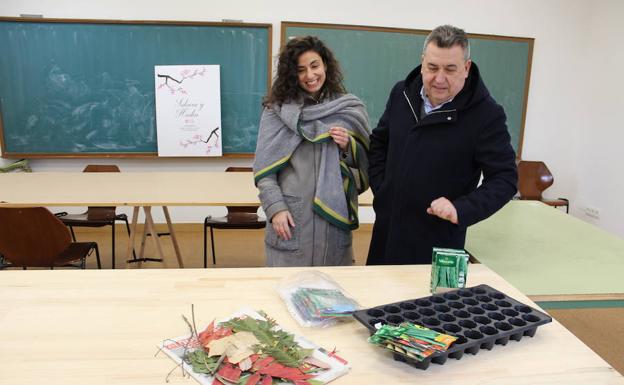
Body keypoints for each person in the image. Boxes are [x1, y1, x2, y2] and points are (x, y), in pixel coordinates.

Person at [367, 25, 518, 265]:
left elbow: (505, 179)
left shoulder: (486, 115)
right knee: (379, 300)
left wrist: (462, 208)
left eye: (450, 69)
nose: (439, 78)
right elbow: (379, 143)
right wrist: (383, 188)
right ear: (422, 61)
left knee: (431, 303)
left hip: (439, 244)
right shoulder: (401, 94)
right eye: (432, 67)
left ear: (466, 68)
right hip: (387, 235)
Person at [253, 36, 370, 266]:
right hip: (291, 221)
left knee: (333, 294)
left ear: (325, 64)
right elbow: (263, 171)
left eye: (315, 66)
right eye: (300, 70)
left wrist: (349, 146)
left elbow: (370, 164)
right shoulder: (276, 112)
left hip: (333, 226)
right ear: (291, 74)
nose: (310, 75)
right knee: (286, 293)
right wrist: (275, 209)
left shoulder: (348, 109)